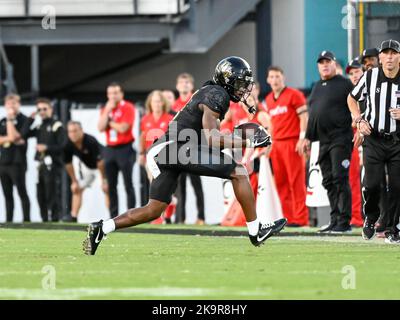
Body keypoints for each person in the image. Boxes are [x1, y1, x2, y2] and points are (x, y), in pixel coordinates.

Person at [83, 56, 287, 255]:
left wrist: (235, 137)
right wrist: (247, 141)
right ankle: (256, 230)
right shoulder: (217, 95)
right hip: (176, 147)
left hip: (165, 150)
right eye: (240, 83)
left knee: (154, 209)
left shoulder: (211, 93)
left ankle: (102, 227)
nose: (243, 89)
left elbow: (211, 142)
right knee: (239, 171)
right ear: (228, 80)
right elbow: (213, 138)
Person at [348, 39, 400, 244]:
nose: (389, 57)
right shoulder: (370, 76)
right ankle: (370, 217)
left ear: (399, 57)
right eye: (385, 53)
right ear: (380, 57)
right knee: (371, 185)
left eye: (393, 53)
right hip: (374, 139)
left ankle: (393, 228)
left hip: (397, 141)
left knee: (397, 186)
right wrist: (359, 119)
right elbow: (352, 98)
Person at [304, 51, 354, 233]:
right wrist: (307, 138)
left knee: (340, 177)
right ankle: (335, 219)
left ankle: (345, 221)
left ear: (334, 64)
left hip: (340, 138)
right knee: (328, 180)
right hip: (322, 141)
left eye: (328, 62)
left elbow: (358, 104)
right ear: (318, 66)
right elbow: (314, 114)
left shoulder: (345, 83)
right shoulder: (317, 86)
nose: (324, 65)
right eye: (321, 63)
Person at [265, 66, 309, 227]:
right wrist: (269, 143)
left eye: (277, 76)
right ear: (268, 80)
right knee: (281, 184)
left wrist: (302, 138)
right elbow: (271, 124)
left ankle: (301, 219)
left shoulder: (294, 94)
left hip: (292, 142)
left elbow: (304, 116)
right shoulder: (269, 99)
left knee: (296, 182)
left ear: (283, 78)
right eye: (272, 77)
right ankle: (289, 218)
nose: (275, 80)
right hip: (277, 144)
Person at [21, 98, 67, 222]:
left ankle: (55, 219)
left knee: (51, 193)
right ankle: (44, 220)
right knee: (40, 194)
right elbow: (23, 134)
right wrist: (30, 119)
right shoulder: (40, 125)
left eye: (44, 109)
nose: (42, 111)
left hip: (52, 164)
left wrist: (47, 147)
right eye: (39, 109)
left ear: (51, 109)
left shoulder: (56, 125)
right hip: (40, 165)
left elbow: (63, 145)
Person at [359, 46, 390, 234]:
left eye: (370, 59)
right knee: (373, 182)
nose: (367, 63)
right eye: (364, 61)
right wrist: (358, 124)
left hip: (393, 138)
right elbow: (357, 106)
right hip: (372, 139)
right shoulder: (366, 82)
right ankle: (379, 218)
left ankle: (388, 221)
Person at [98, 82, 137, 218]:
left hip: (125, 148)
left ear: (121, 94)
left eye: (115, 93)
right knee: (111, 185)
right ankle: (113, 217)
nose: (113, 96)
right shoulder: (106, 108)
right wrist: (107, 112)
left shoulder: (128, 107)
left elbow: (123, 128)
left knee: (128, 184)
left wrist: (109, 122)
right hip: (110, 149)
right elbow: (100, 127)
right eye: (110, 93)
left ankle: (131, 216)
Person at [172, 73, 205, 225]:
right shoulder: (173, 105)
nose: (184, 85)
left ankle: (201, 217)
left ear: (191, 86)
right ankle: (180, 218)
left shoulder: (197, 101)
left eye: (187, 82)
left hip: (194, 147)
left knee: (196, 184)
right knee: (180, 187)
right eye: (181, 82)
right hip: (178, 150)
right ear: (177, 86)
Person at [63, 121, 109, 222]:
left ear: (81, 131)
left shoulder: (90, 141)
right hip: (88, 167)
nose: (72, 134)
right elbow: (68, 164)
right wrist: (74, 181)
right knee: (77, 188)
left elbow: (100, 162)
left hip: (102, 166)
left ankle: (112, 217)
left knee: (107, 189)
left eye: (75, 131)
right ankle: (73, 217)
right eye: (70, 131)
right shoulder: (68, 144)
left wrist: (104, 180)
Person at [139, 90, 173, 206]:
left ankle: (167, 212)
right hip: (150, 157)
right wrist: (141, 154)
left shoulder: (169, 118)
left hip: (166, 155)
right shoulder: (145, 119)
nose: (157, 104)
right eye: (154, 102)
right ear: (150, 103)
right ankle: (157, 213)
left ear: (163, 103)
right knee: (153, 182)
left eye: (159, 101)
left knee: (166, 185)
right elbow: (143, 137)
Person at [0, 94, 30, 222]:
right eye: (8, 104)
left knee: (21, 192)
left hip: (17, 162)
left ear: (19, 104)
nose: (11, 106)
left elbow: (14, 137)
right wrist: (9, 138)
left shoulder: (25, 120)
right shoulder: (2, 120)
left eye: (14, 103)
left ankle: (26, 221)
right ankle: (8, 221)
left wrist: (11, 120)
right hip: (3, 162)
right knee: (7, 194)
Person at [345, 59, 364, 227]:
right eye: (351, 73)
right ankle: (356, 217)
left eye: (357, 71)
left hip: (373, 138)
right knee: (354, 180)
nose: (354, 75)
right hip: (353, 140)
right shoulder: (350, 93)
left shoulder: (372, 89)